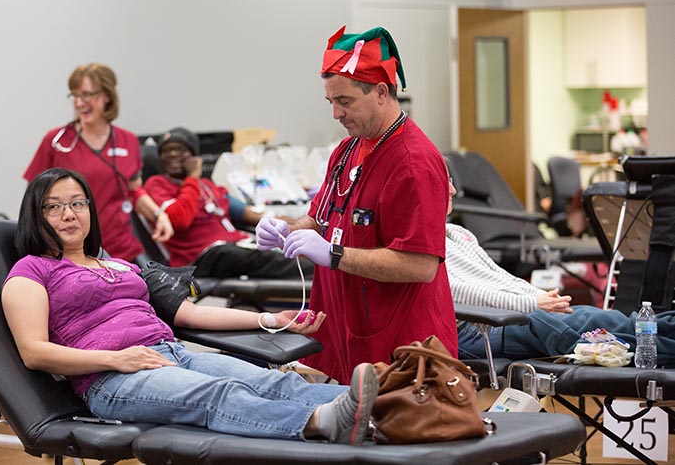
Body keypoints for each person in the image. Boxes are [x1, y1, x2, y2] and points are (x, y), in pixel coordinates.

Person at [1, 167, 379, 445]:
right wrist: (116, 360)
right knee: (218, 394)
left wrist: (269, 319)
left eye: (77, 203)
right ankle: (323, 421)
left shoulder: (119, 263)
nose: (69, 214)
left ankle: (387, 409)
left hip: (171, 352)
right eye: (54, 207)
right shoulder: (31, 270)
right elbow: (34, 352)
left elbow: (191, 314)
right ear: (37, 216)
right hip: (111, 378)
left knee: (271, 381)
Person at [256, 26, 458, 384]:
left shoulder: (413, 162)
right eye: (330, 102)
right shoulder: (347, 150)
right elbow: (320, 220)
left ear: (381, 92)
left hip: (403, 351)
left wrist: (334, 254)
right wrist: (285, 228)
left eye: (345, 102)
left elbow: (421, 264)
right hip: (347, 336)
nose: (335, 114)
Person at [444, 177, 675, 367]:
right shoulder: (420, 244)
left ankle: (668, 326)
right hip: (477, 331)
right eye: (445, 181)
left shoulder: (456, 233)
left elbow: (500, 277)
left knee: (593, 316)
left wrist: (541, 298)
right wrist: (531, 303)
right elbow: (456, 293)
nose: (453, 189)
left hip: (507, 319)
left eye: (453, 180)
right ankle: (666, 348)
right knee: (582, 329)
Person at [23, 63, 172, 264]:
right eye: (74, 96)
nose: (79, 102)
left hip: (120, 251)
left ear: (107, 96)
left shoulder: (127, 140)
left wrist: (159, 214)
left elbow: (134, 191)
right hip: (71, 254)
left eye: (86, 95)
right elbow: (34, 200)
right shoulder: (57, 141)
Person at [143, 127, 315, 280]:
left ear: (194, 155)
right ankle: (318, 276)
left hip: (235, 244)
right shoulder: (156, 184)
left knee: (290, 246)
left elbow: (250, 214)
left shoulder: (209, 186)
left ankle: (324, 273)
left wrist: (299, 223)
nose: (172, 154)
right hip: (200, 257)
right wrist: (192, 178)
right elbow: (179, 220)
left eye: (180, 150)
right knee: (256, 257)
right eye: (166, 151)